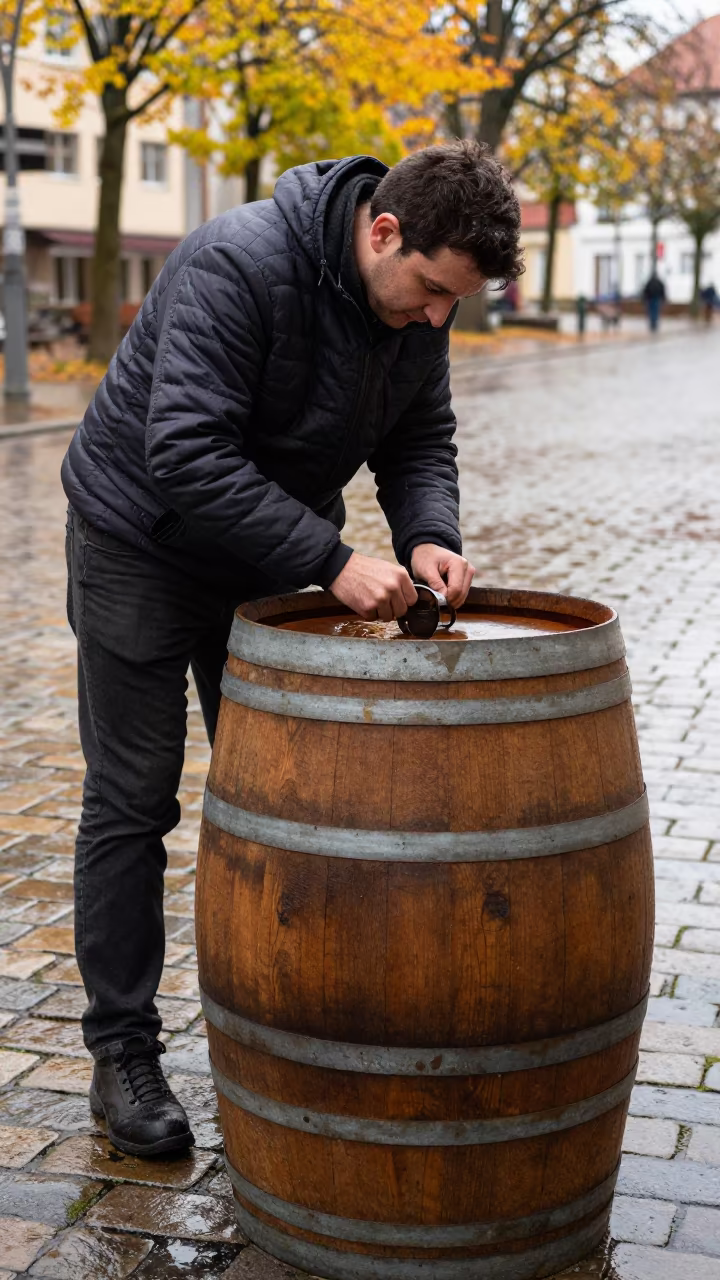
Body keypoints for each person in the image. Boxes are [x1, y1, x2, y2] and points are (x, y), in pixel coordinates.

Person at [61, 141, 524, 1156]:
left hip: (262, 550)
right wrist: (329, 558)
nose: (440, 316)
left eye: (458, 303)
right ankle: (122, 1052)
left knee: (290, 795)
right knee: (134, 798)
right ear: (384, 231)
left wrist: (428, 532)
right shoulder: (239, 263)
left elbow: (418, 436)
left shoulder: (417, 308)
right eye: (434, 291)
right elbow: (182, 449)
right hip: (140, 539)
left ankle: (292, 1020)